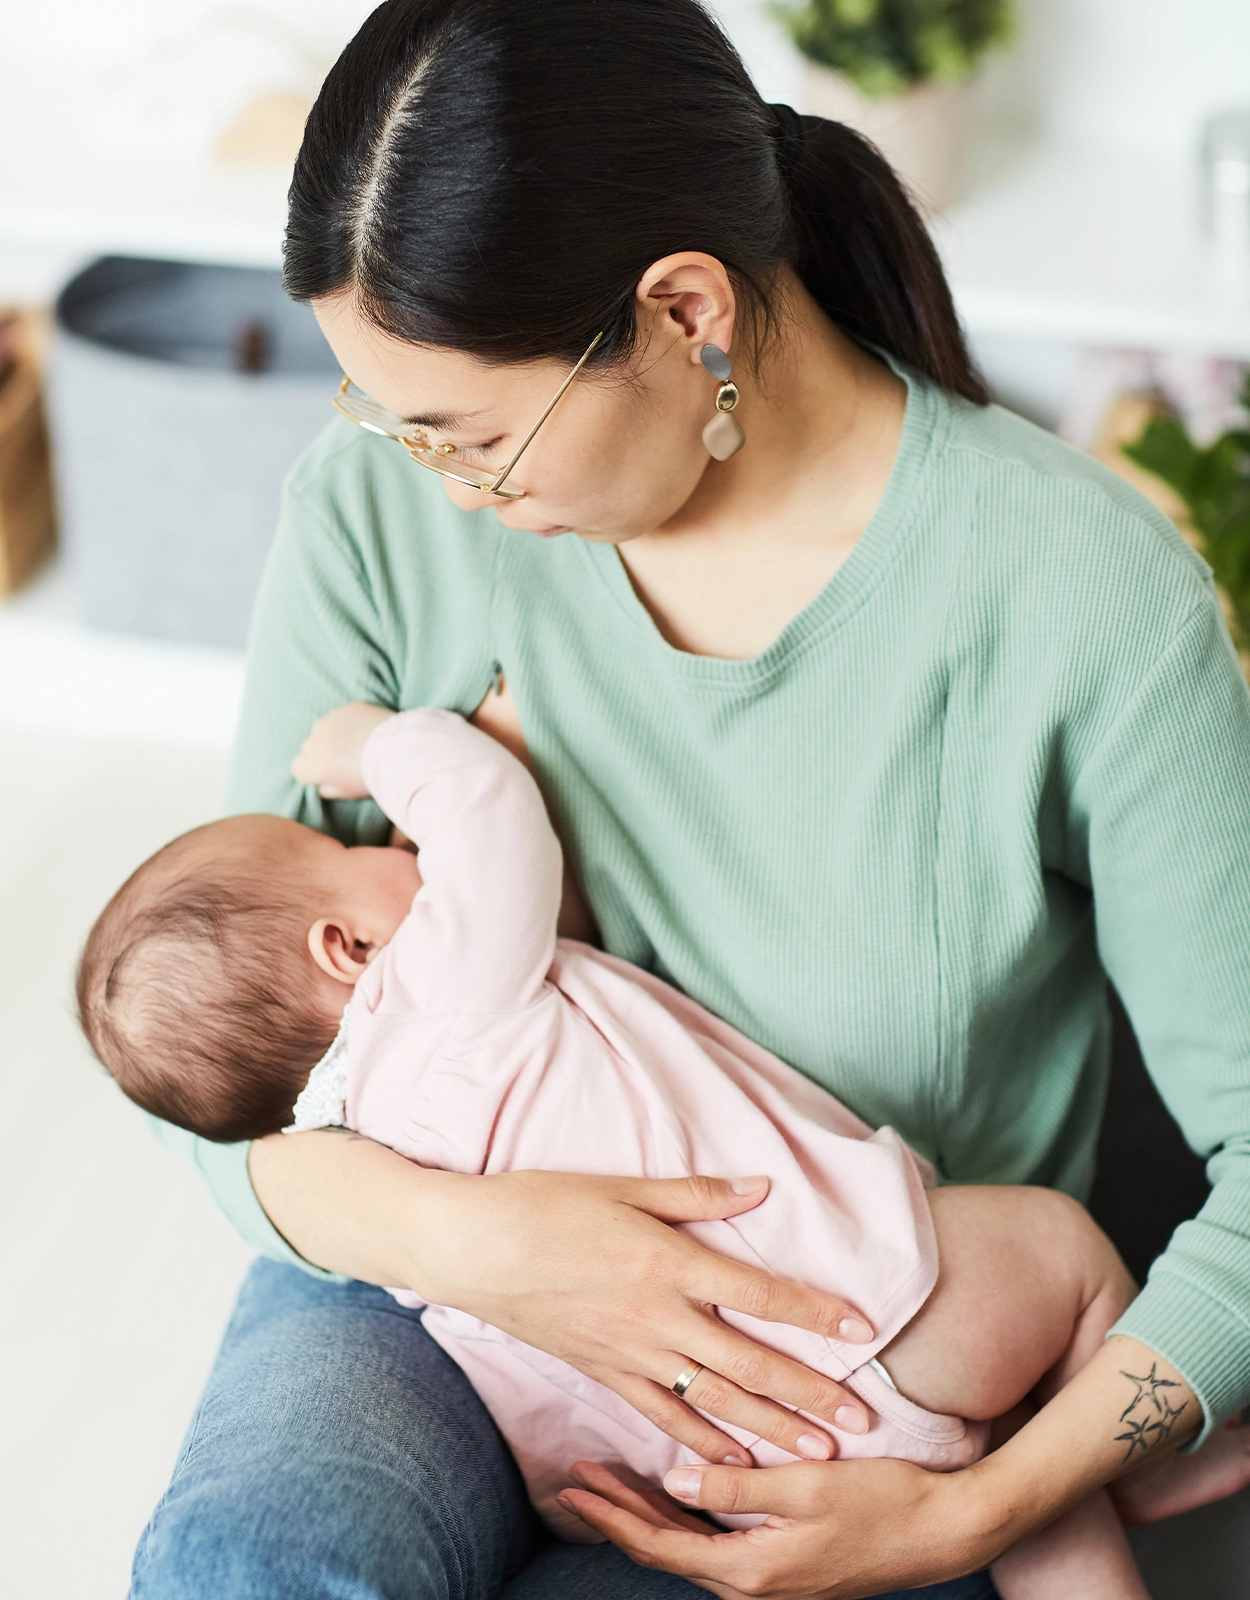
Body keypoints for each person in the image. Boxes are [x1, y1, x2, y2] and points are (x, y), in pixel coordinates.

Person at [130, 2, 1250, 1597]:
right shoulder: (381, 511)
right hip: (438, 1282)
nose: (439, 489)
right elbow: (216, 1065)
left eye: (473, 440)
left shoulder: (1077, 599)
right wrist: (504, 1253)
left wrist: (972, 1513)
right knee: (256, 1563)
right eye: (393, 424)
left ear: (683, 313)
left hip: (863, 1336)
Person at [84, 703, 1250, 1599]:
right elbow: (486, 805)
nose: (394, 852)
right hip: (868, 1329)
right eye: (347, 849)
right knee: (1052, 1241)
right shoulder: (437, 988)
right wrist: (376, 745)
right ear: (346, 944)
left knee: (1002, 1457)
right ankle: (1130, 1461)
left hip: (715, 1477)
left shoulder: (359, 1156)